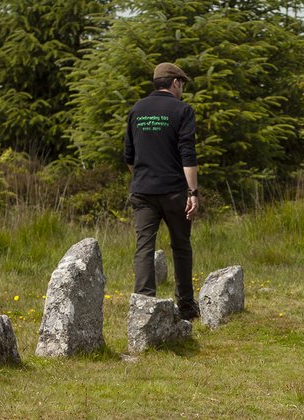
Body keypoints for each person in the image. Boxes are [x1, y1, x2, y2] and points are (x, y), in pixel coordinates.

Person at [124, 62, 201, 320]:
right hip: (174, 192)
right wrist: (193, 192)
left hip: (143, 190)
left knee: (144, 246)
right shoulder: (182, 110)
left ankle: (143, 305)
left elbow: (129, 156)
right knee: (181, 246)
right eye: (182, 85)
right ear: (175, 83)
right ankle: (187, 307)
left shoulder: (137, 109)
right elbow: (187, 153)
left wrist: (145, 177)